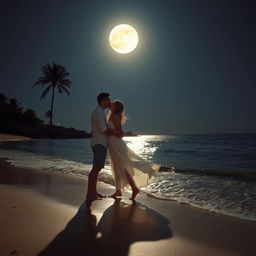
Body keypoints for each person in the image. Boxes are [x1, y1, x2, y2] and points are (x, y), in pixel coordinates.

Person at [107, 100, 160, 200]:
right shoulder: (112, 117)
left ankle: (134, 188)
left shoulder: (115, 117)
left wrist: (109, 131)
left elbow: (121, 133)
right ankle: (118, 191)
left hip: (117, 144)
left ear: (116, 107)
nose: (111, 105)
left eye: (113, 104)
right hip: (113, 145)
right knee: (116, 168)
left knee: (122, 168)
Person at [86, 93, 123, 201]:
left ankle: (93, 192)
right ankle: (90, 193)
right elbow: (104, 129)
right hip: (99, 143)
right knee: (95, 169)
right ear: (103, 100)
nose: (110, 102)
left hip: (99, 143)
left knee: (96, 169)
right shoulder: (98, 112)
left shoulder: (99, 111)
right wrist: (117, 133)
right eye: (108, 100)